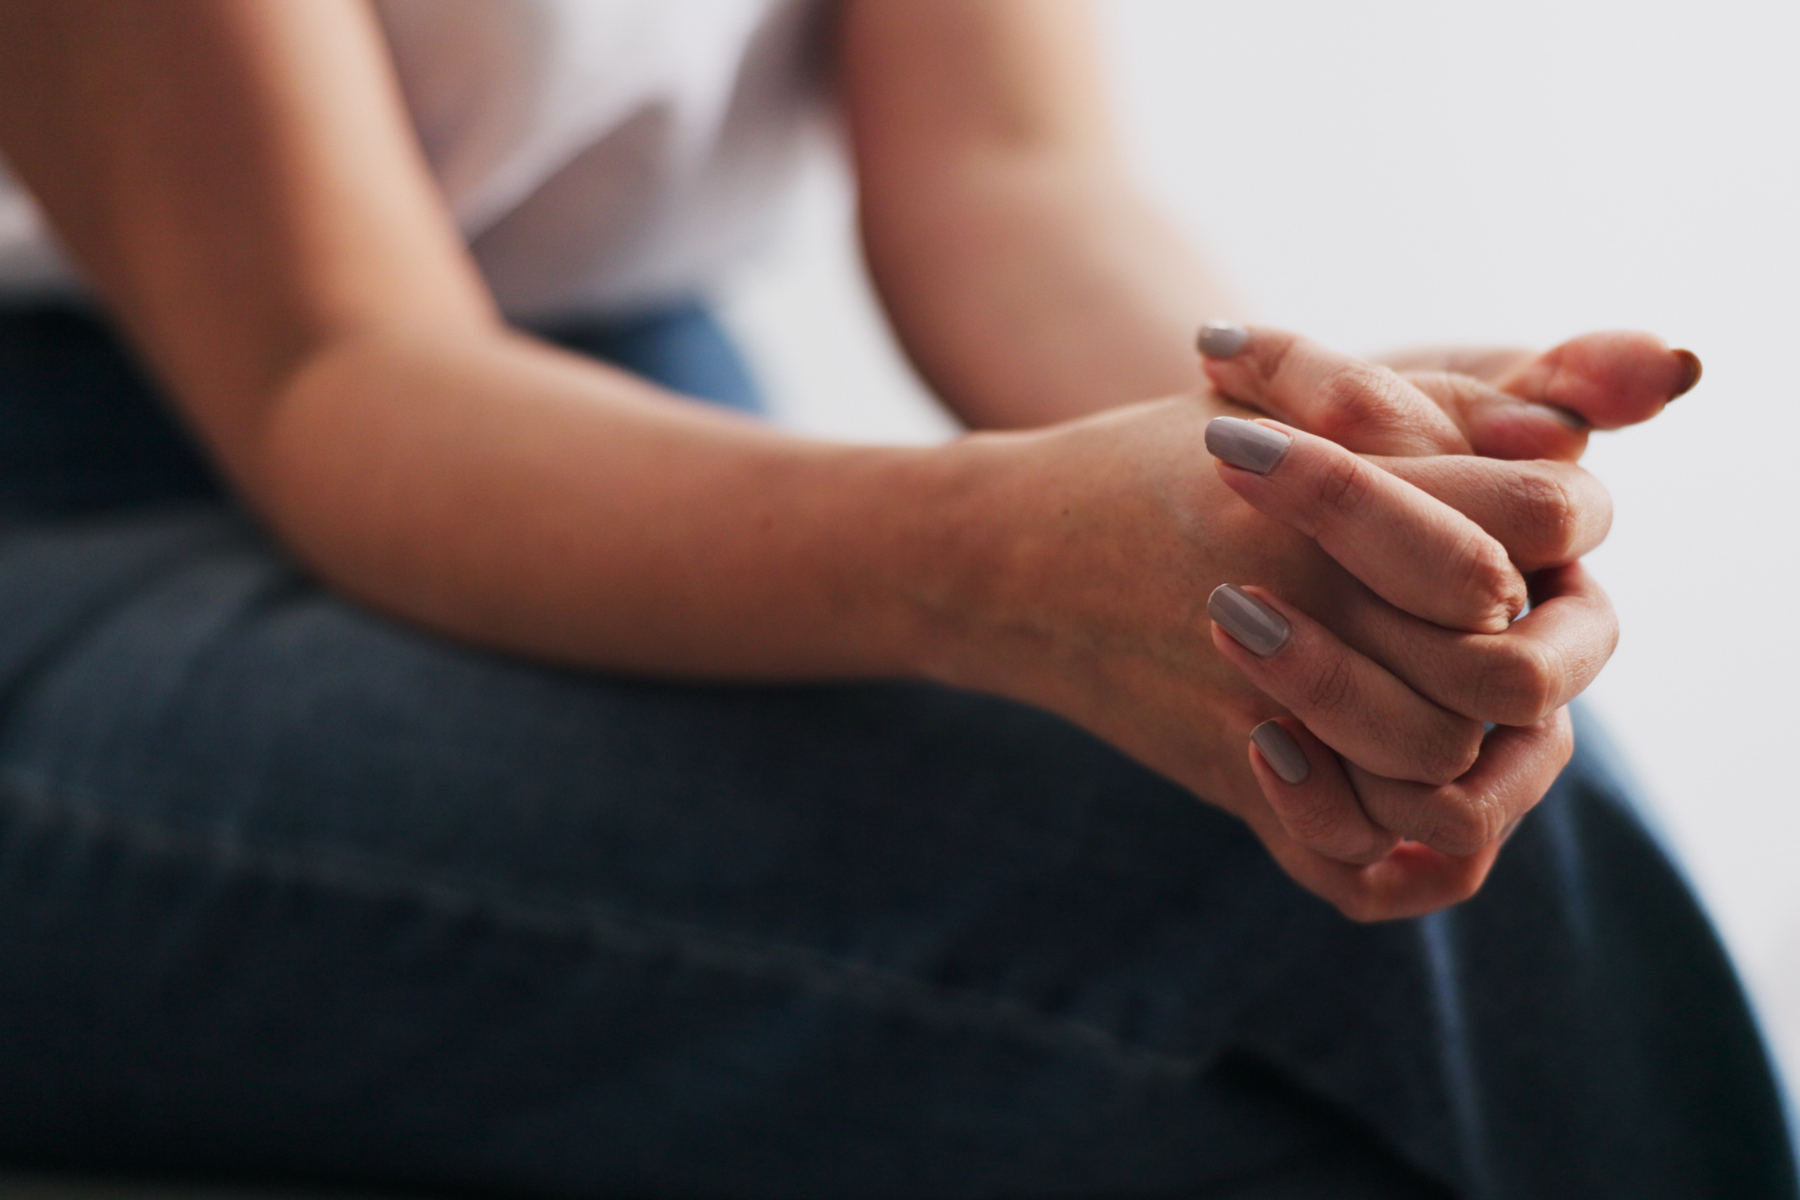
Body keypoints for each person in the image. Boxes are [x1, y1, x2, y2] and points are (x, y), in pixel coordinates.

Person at [0, 1, 1787, 1197]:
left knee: (1422, 811)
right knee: (1312, 933)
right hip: (75, 505)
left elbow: (1009, 178)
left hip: (636, 435)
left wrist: (1310, 460)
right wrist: (1004, 558)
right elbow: (338, 372)